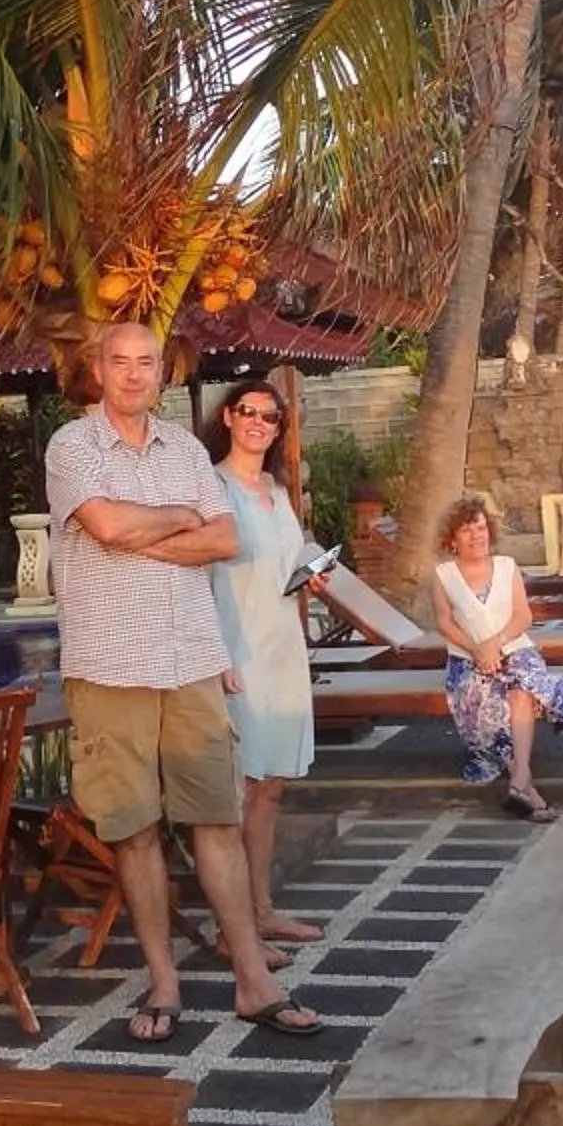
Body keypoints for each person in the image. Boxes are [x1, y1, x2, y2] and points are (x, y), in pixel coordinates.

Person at [47, 320, 322, 1045]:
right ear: (97, 371)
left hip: (193, 660)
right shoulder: (72, 447)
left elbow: (226, 538)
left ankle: (254, 982)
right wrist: (175, 522)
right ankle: (164, 982)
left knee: (218, 821)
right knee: (135, 831)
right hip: (111, 664)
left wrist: (147, 532)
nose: (134, 374)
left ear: (160, 375)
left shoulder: (185, 452)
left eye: (146, 363)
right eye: (120, 362)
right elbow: (105, 528)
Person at [200, 379, 323, 954]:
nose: (258, 423)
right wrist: (215, 656)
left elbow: (286, 561)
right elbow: (197, 579)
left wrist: (311, 571)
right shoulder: (211, 487)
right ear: (228, 417)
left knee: (271, 786)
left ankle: (263, 909)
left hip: (283, 649)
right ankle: (236, 927)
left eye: (269, 417)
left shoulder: (276, 488)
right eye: (248, 412)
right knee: (241, 787)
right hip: (237, 650)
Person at [430, 494, 563, 820]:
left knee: (522, 686)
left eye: (480, 527)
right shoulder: (443, 574)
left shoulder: (507, 567)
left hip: (515, 649)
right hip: (467, 659)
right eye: (466, 530)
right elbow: (443, 621)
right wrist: (478, 650)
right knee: (489, 703)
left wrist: (496, 644)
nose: (476, 536)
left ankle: (519, 781)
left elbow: (523, 616)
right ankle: (526, 790)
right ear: (452, 539)